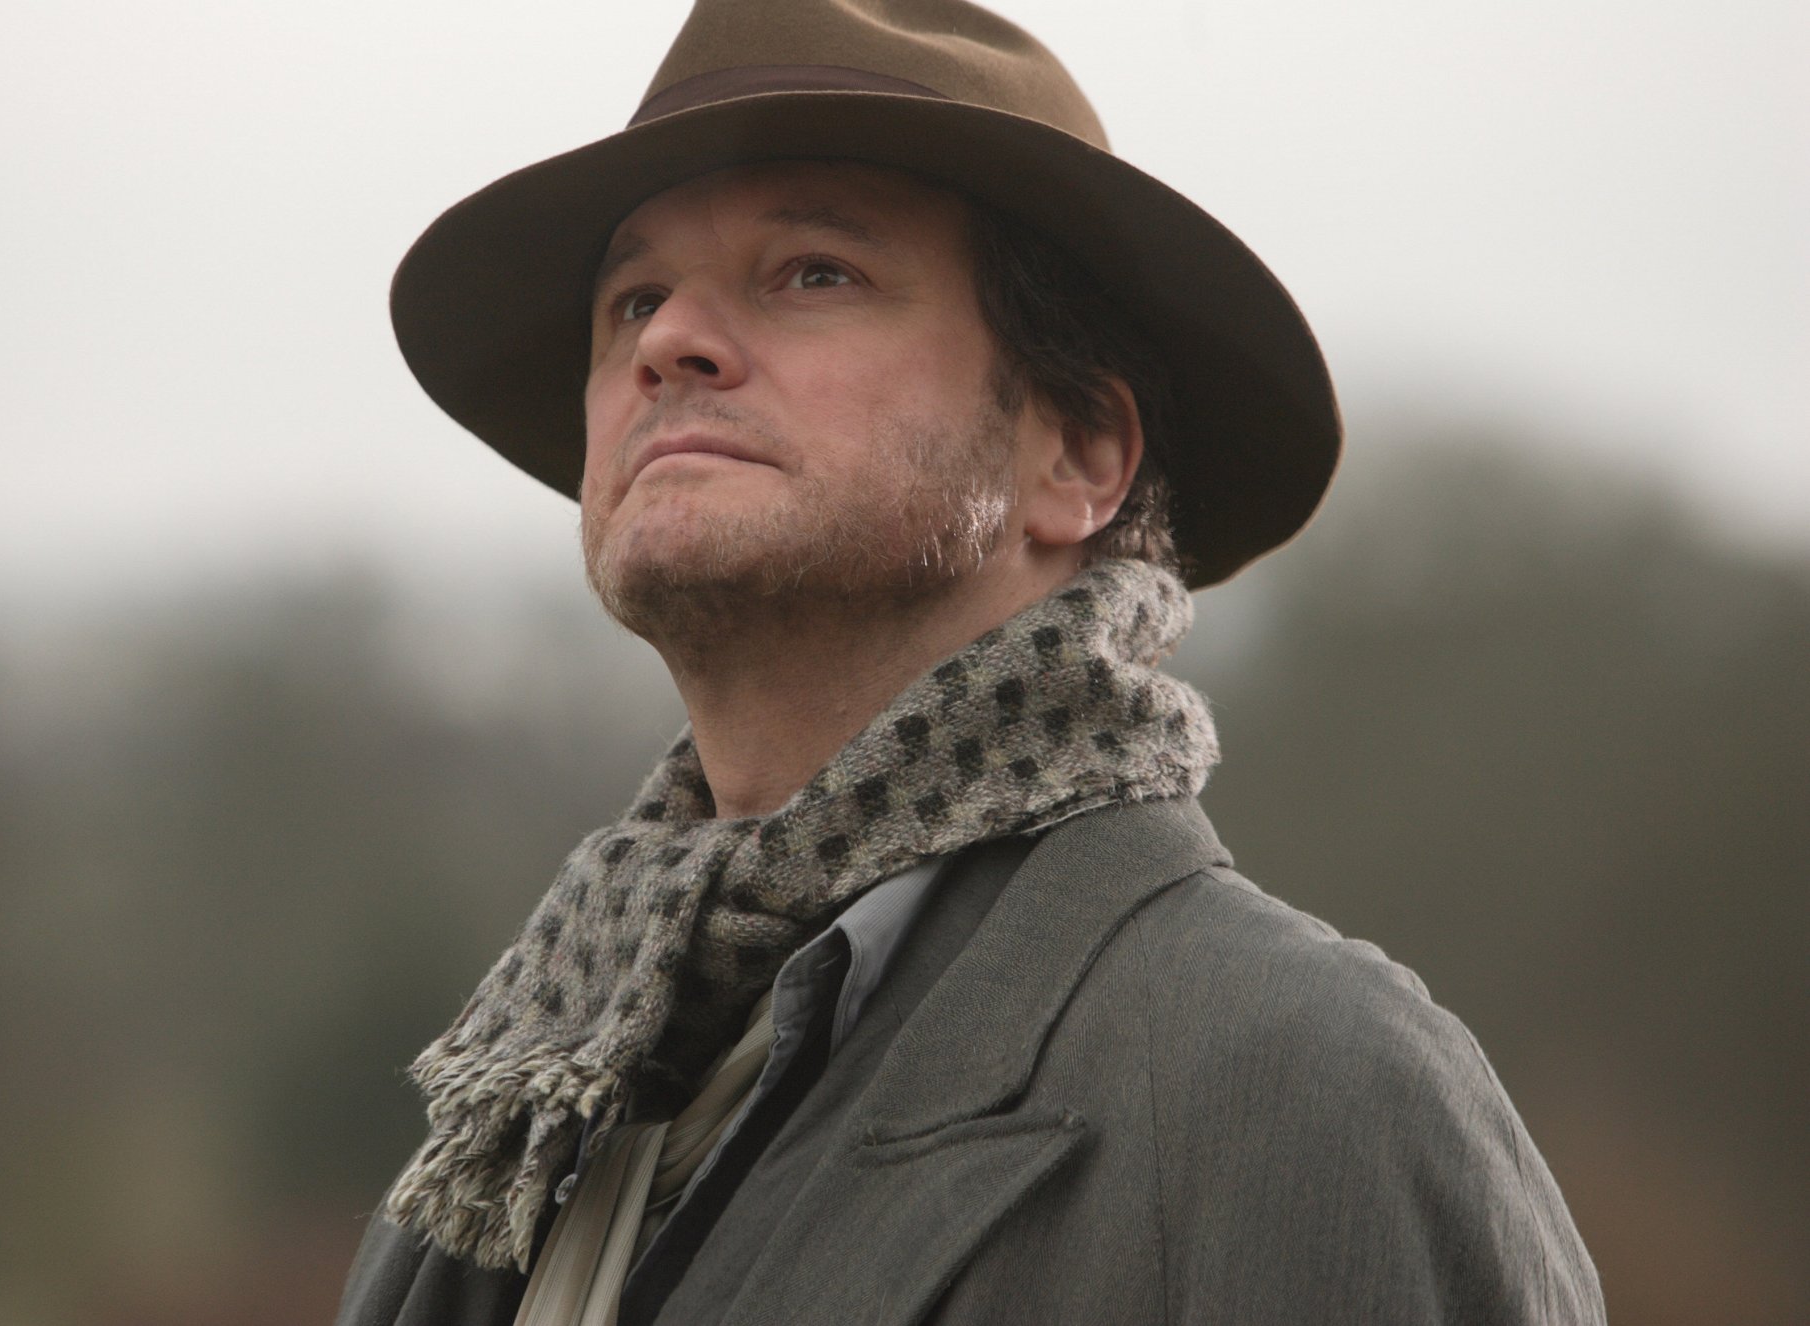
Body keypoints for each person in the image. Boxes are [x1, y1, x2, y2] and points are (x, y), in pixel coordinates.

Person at [336, 1, 1605, 1322]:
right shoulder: (517, 1106)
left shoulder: (1301, 1082)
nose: (666, 341)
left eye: (814, 272)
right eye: (635, 299)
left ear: (1077, 453)